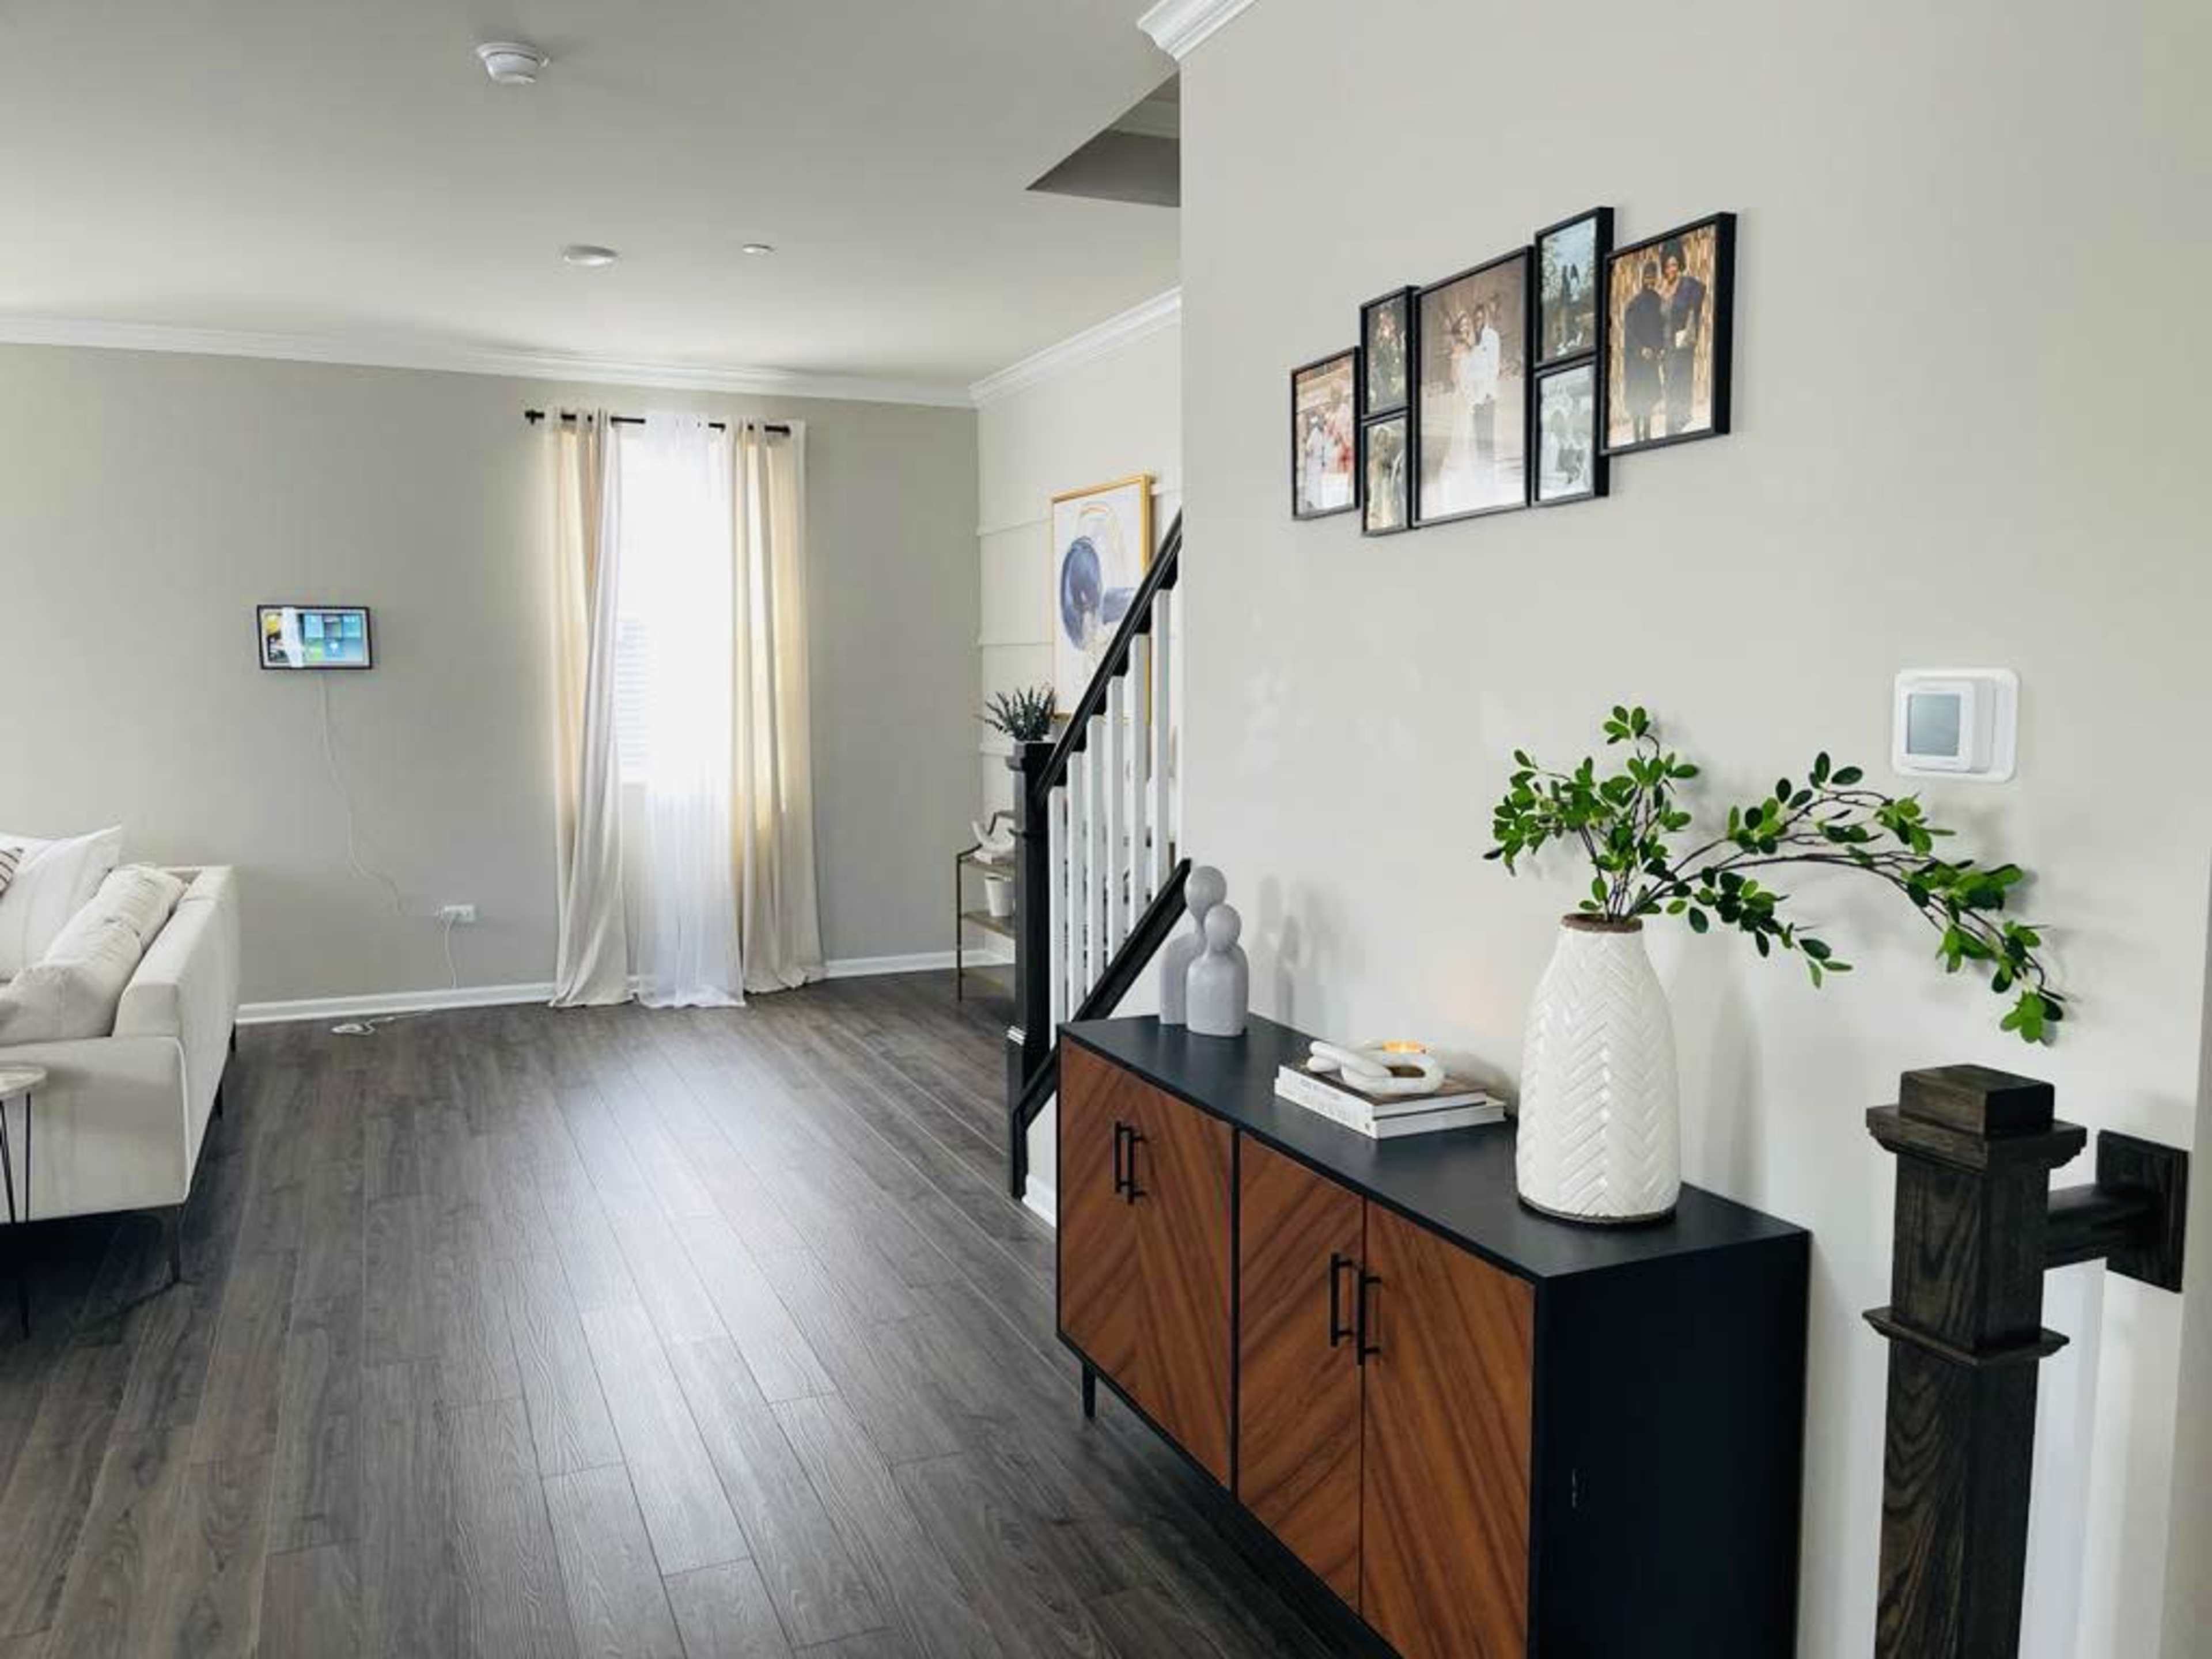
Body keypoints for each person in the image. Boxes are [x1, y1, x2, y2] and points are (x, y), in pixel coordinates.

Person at [1661, 238, 1707, 436]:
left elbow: (1701, 291)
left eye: (1674, 264)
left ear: (1679, 264)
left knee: (1680, 381)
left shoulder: (1688, 284)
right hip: (1666, 345)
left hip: (1681, 343)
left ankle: (1680, 420)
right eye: (1668, 265)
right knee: (1669, 384)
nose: (1671, 268)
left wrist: (1691, 315)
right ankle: (1672, 423)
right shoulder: (1664, 290)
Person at [1621, 260, 1665, 444]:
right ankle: (1636, 436)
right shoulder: (1635, 303)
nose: (1650, 280)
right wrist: (1641, 349)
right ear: (1642, 278)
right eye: (1647, 276)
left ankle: (1647, 434)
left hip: (1651, 358)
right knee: (1636, 397)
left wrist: (1659, 348)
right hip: (1635, 361)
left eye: (1653, 276)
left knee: (1648, 397)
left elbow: (1661, 327)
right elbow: (1629, 332)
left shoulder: (1658, 300)